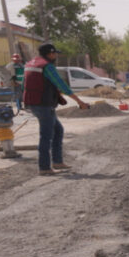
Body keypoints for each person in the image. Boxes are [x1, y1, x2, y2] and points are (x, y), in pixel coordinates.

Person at [22, 43, 90, 175]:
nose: (56, 56)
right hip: (43, 105)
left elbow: (24, 84)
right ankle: (44, 168)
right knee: (46, 136)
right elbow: (61, 84)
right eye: (55, 54)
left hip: (34, 103)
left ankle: (57, 162)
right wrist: (80, 101)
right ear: (50, 53)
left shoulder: (31, 63)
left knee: (58, 130)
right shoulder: (47, 66)